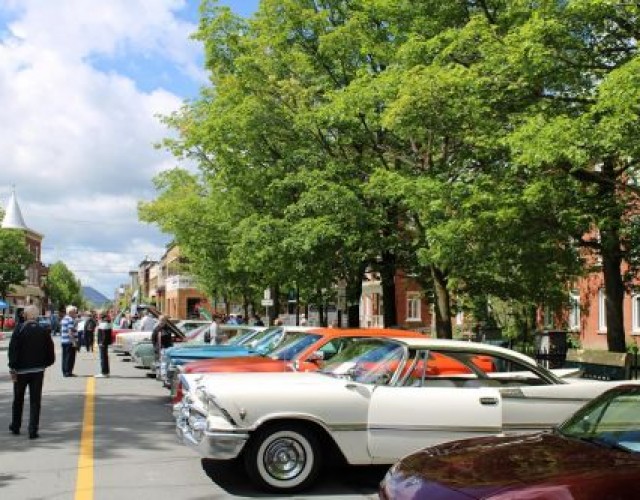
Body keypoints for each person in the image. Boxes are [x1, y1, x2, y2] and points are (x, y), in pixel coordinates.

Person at [8, 304, 55, 439]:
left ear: (26, 315)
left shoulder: (20, 329)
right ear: (36, 316)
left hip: (21, 371)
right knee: (35, 400)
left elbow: (13, 349)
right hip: (38, 370)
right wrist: (45, 364)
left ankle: (16, 425)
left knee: (18, 399)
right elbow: (50, 350)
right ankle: (32, 430)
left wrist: (13, 367)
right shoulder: (43, 330)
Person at [60, 305, 78, 377]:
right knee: (70, 357)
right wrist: (74, 342)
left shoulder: (64, 319)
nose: (75, 314)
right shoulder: (70, 319)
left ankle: (65, 371)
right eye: (74, 312)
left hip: (64, 341)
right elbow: (70, 331)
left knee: (64, 357)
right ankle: (68, 372)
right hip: (69, 341)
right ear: (70, 312)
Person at [95, 312, 112, 378]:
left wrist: (102, 343)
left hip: (103, 343)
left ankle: (104, 372)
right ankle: (106, 372)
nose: (98, 318)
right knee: (105, 357)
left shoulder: (103, 324)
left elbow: (104, 335)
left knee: (103, 358)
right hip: (105, 343)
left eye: (99, 317)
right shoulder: (107, 323)